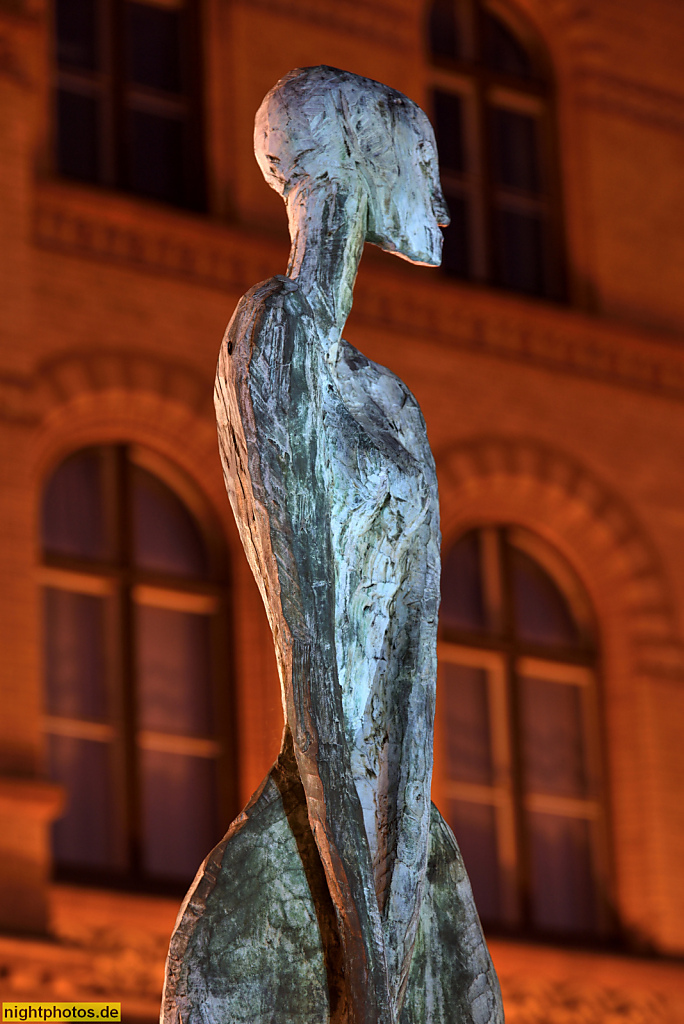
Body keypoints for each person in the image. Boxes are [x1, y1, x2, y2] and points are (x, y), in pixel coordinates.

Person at [164, 66, 503, 1024]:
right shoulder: (273, 335)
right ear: (353, 154)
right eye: (422, 156)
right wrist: (361, 926)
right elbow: (309, 644)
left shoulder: (392, 399)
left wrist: (403, 875)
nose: (441, 195)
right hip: (323, 839)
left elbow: (412, 666)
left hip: (405, 838)